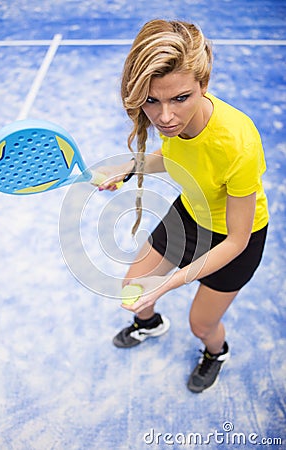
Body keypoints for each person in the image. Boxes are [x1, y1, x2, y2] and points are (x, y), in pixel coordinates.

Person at [97, 19, 269, 393]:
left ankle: (215, 352)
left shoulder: (238, 143)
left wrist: (167, 285)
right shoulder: (174, 124)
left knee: (201, 325)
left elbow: (237, 240)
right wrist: (128, 167)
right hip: (190, 214)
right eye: (152, 101)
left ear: (203, 86)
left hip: (235, 237)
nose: (165, 117)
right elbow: (175, 156)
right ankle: (149, 324)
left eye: (180, 98)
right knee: (133, 287)